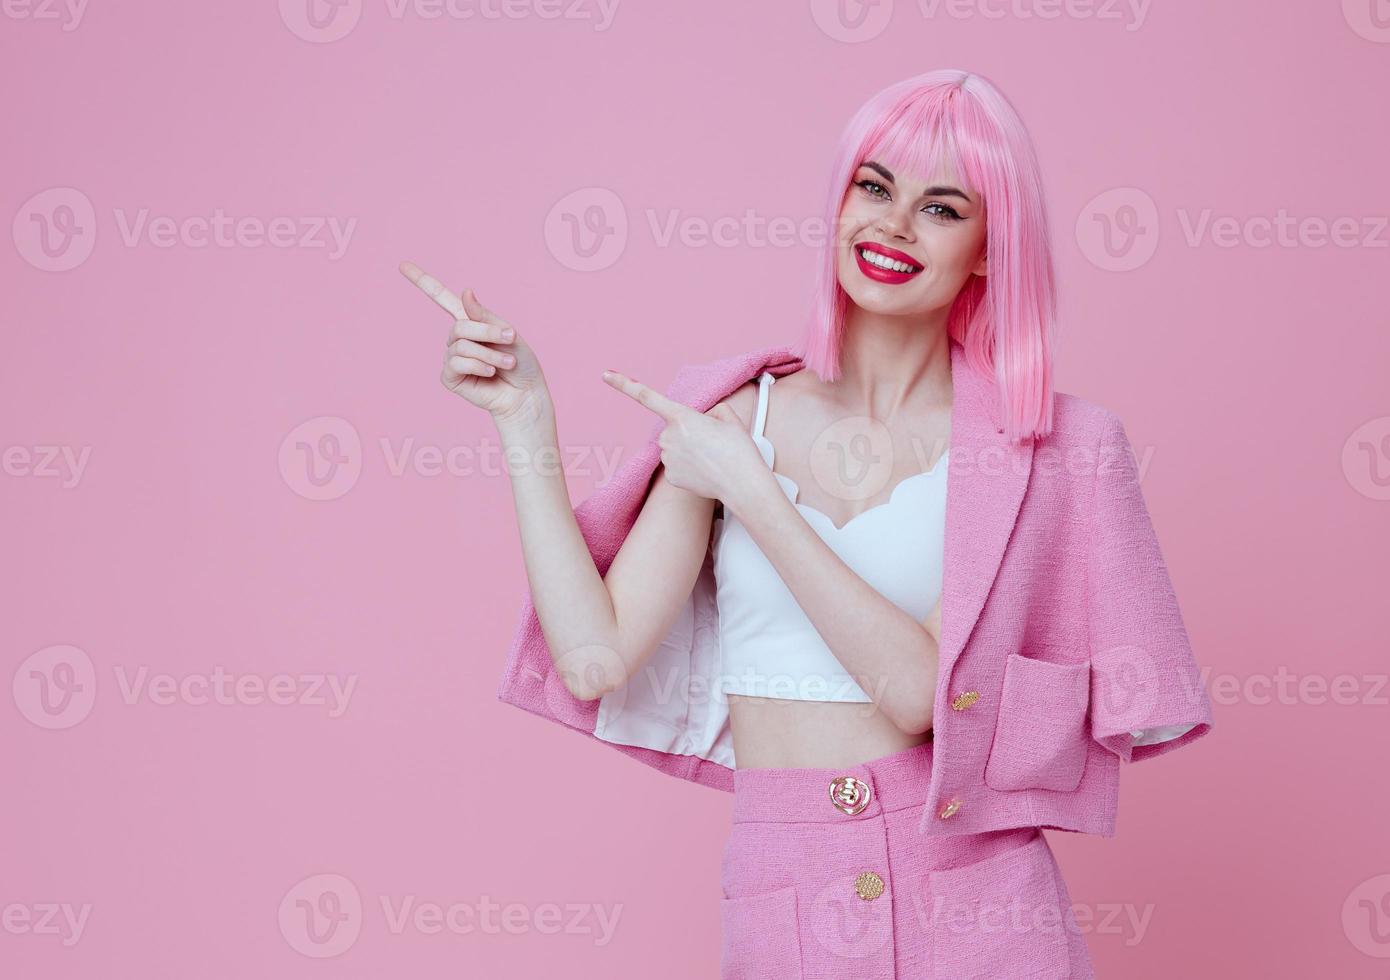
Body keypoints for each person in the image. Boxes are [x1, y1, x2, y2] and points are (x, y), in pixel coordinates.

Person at [405, 67, 1213, 979]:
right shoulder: (729, 417)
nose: (893, 225)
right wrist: (524, 422)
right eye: (874, 187)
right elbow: (595, 659)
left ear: (991, 247)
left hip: (981, 901)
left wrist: (757, 497)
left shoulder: (1040, 449)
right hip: (784, 889)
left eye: (942, 208)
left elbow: (919, 696)